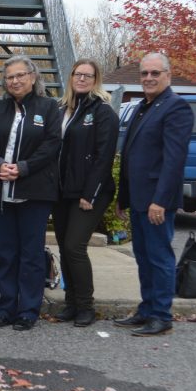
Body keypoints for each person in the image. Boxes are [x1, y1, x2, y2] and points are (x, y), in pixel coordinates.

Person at [0, 55, 61, 331]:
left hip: (34, 193)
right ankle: (6, 309)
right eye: (9, 77)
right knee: (5, 254)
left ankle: (27, 310)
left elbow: (51, 146)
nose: (14, 81)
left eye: (20, 75)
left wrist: (23, 168)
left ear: (33, 76)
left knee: (30, 254)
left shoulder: (49, 108)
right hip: (0, 193)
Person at [115, 52, 193, 336]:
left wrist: (159, 201)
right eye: (144, 73)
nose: (148, 78)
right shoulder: (142, 108)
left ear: (168, 75)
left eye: (155, 73)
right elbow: (130, 157)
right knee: (143, 256)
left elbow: (174, 161)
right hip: (137, 199)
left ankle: (162, 315)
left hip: (156, 201)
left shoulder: (176, 108)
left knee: (159, 257)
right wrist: (123, 198)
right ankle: (147, 309)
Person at [53, 59, 118, 327]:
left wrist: (89, 194)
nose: (82, 79)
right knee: (64, 247)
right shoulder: (62, 109)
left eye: (88, 75)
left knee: (74, 246)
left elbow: (104, 157)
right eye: (78, 74)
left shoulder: (103, 112)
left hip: (90, 192)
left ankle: (86, 306)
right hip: (62, 191)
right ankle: (70, 302)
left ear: (96, 79)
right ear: (71, 77)